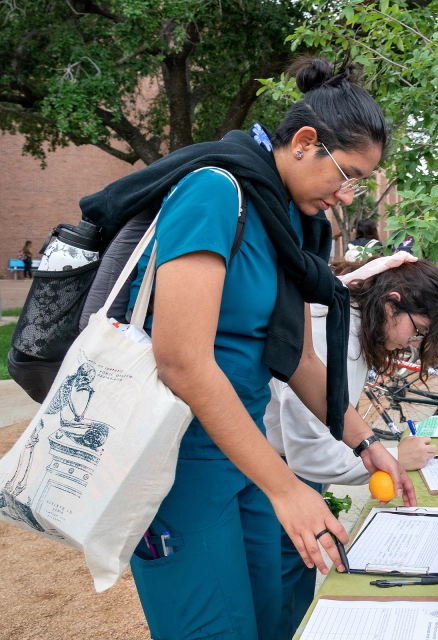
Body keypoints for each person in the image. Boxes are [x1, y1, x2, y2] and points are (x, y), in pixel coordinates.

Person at [100, 56, 417, 639]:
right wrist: (285, 488)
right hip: (178, 459)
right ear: (304, 143)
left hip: (249, 453)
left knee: (273, 622)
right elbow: (181, 360)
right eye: (346, 176)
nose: (347, 197)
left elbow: (297, 359)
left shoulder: (293, 226)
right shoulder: (213, 193)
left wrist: (365, 441)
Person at [264, 254, 438, 637]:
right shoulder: (331, 330)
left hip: (290, 473)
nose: (410, 344)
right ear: (391, 302)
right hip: (274, 475)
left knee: (295, 592)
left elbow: (337, 416)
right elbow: (310, 448)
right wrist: (392, 456)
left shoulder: (351, 320)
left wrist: (374, 446)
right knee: (277, 603)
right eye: (415, 331)